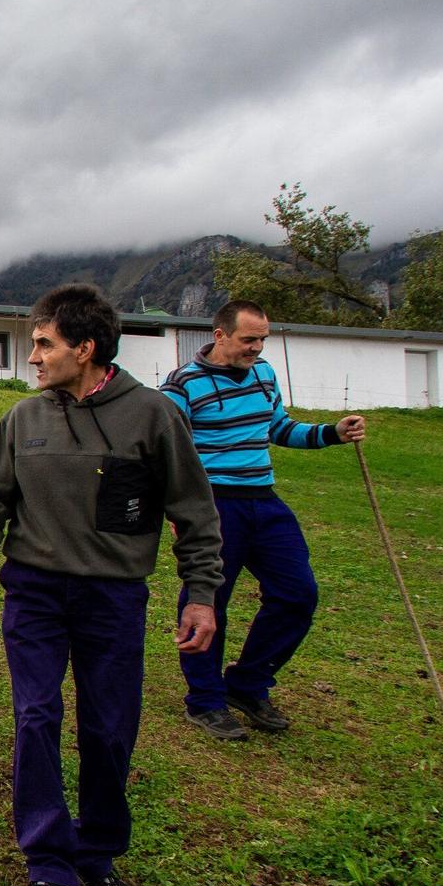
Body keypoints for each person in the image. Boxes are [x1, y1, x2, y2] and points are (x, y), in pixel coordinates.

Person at [0, 285, 223, 886]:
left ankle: (97, 854)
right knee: (36, 718)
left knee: (109, 728)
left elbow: (195, 513)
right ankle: (50, 868)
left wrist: (201, 593)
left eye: (45, 344)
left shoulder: (152, 416)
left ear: (85, 348)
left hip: (113, 598)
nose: (33, 357)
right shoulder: (22, 420)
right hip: (34, 594)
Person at [159, 300, 366, 741]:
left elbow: (279, 429)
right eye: (248, 339)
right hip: (213, 504)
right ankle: (205, 700)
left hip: (264, 500)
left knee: (298, 594)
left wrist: (332, 433)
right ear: (220, 335)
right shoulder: (182, 385)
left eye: (262, 340)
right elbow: (164, 452)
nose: (256, 348)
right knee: (209, 600)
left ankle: (247, 684)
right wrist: (179, 511)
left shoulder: (264, 374)